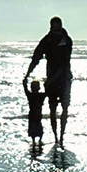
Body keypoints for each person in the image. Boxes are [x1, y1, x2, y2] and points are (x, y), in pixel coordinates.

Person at [24, 16, 73, 146]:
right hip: (51, 78)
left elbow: (64, 63)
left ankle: (61, 136)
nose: (56, 32)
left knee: (64, 108)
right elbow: (36, 57)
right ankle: (56, 136)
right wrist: (28, 73)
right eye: (53, 29)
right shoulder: (46, 41)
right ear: (50, 28)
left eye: (58, 29)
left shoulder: (67, 41)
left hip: (64, 79)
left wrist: (52, 79)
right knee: (52, 109)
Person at [22, 77, 46, 148]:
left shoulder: (34, 95)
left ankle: (37, 141)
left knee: (38, 129)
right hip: (34, 116)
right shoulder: (38, 96)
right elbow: (47, 91)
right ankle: (36, 141)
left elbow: (26, 90)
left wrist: (24, 83)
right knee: (36, 129)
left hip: (35, 116)